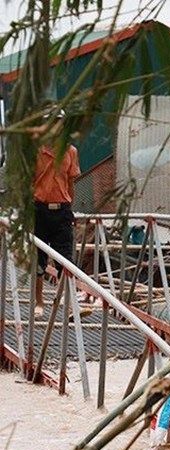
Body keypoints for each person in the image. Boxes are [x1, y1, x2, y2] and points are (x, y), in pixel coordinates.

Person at [32, 107, 87, 319]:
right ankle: (39, 301)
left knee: (66, 260)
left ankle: (69, 304)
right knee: (40, 260)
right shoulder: (35, 152)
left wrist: (70, 208)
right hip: (39, 210)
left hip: (62, 211)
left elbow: (71, 182)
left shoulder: (70, 152)